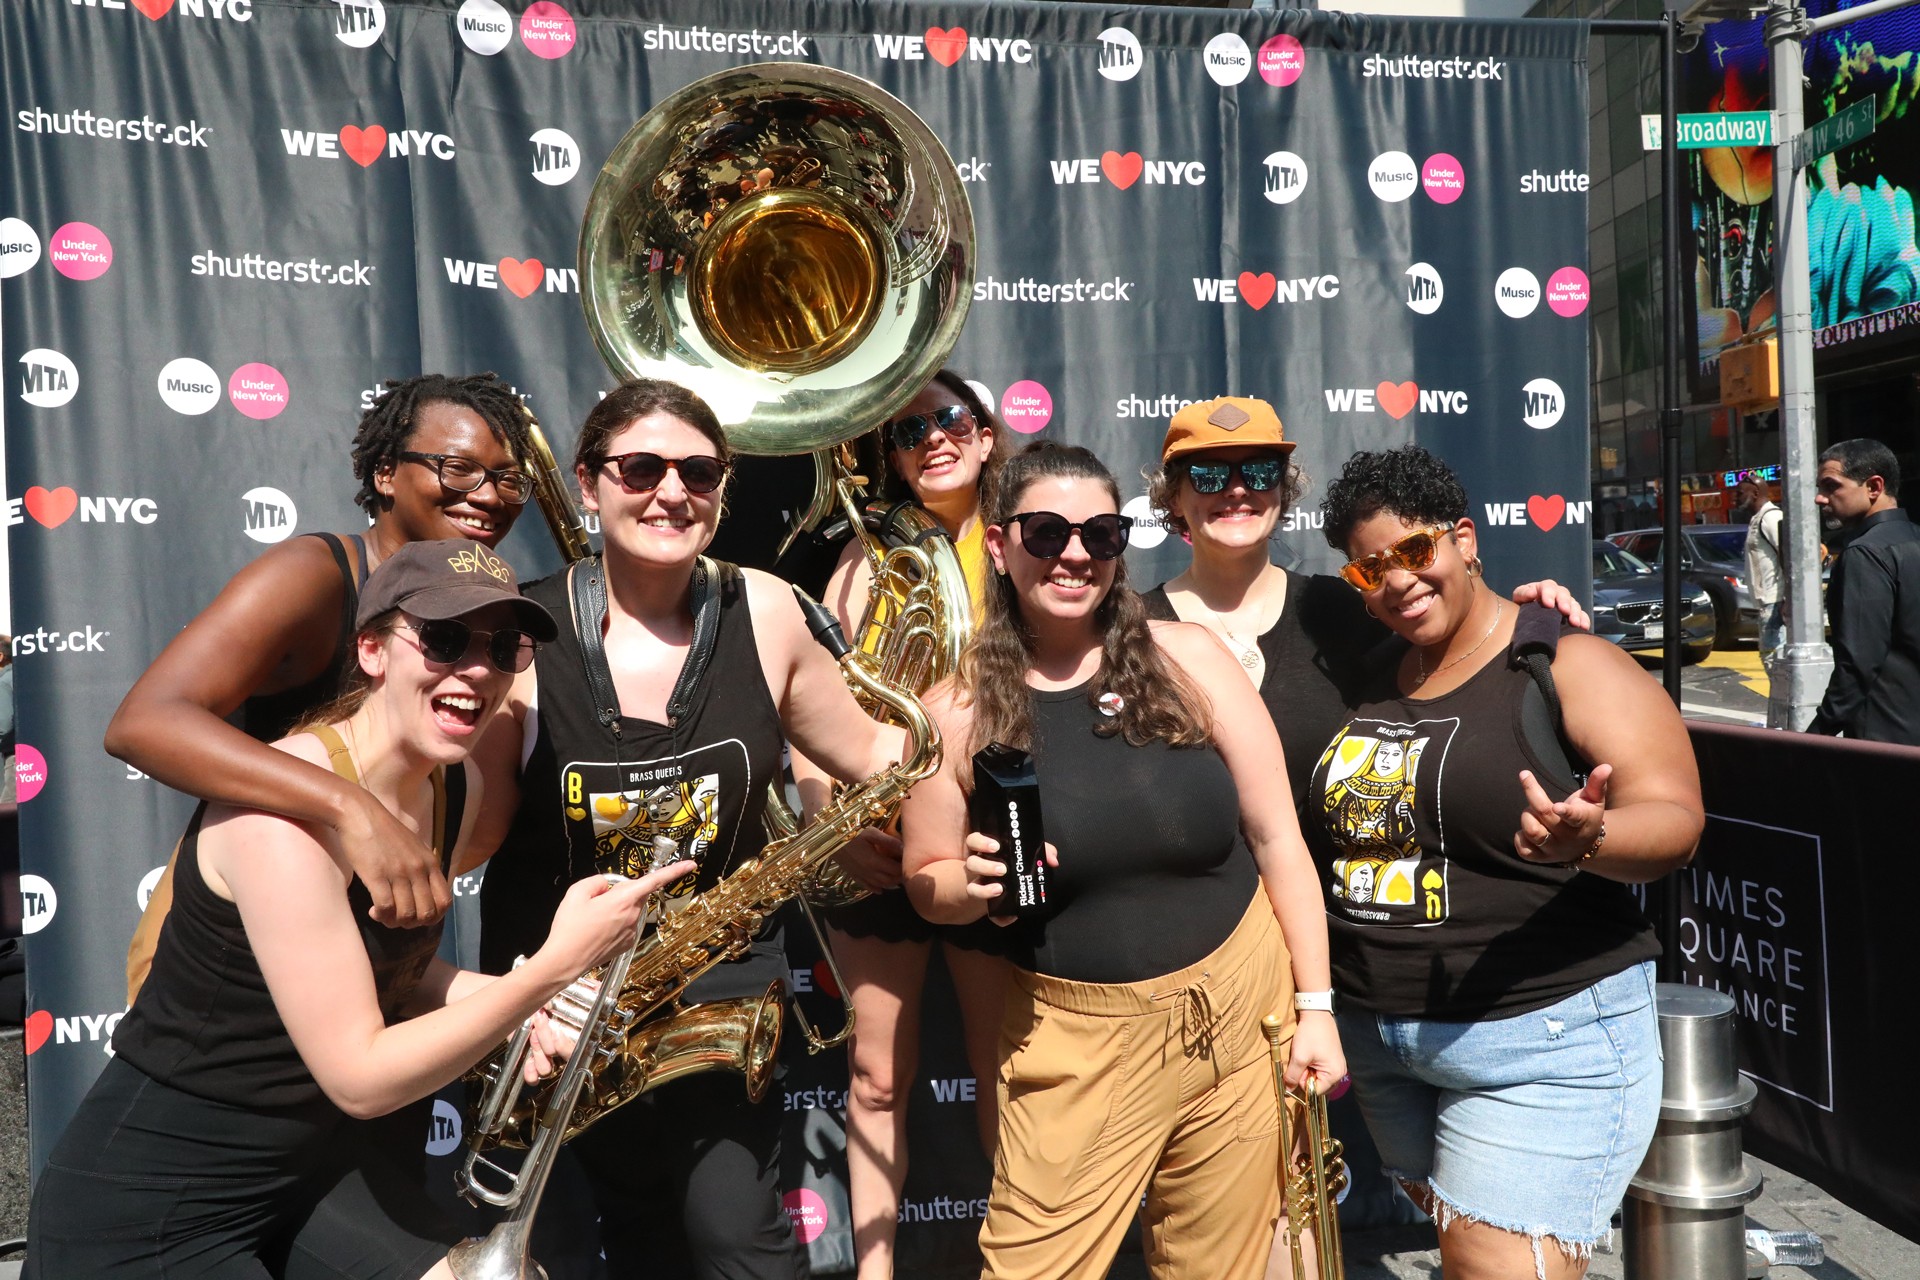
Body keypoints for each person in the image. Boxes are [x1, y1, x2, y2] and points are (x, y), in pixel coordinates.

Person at [26, 538, 692, 1279]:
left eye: (504, 647)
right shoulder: (280, 827)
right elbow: (361, 1076)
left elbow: (393, 974)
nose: (475, 668)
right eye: (443, 638)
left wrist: (538, 1008)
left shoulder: (457, 783)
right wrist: (545, 972)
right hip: (150, 1207)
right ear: (372, 651)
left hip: (311, 1176)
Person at [473, 377, 909, 1280]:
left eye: (699, 473)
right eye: (641, 468)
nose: (671, 492)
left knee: (736, 1238)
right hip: (561, 1006)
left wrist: (994, 719)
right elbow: (471, 840)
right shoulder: (517, 631)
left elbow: (874, 750)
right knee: (631, 1246)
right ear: (589, 484)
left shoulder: (770, 608)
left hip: (717, 989)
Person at [900, 441, 1345, 1280]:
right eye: (1046, 533)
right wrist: (971, 884)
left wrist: (1316, 1007)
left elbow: (1279, 839)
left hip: (1242, 1009)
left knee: (1232, 1268)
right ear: (999, 546)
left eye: (1100, 535)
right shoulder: (953, 711)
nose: (1074, 553)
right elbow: (926, 881)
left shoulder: (1194, 659)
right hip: (1076, 1040)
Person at [1308, 445, 1703, 1280]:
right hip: (1386, 1045)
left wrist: (1587, 839)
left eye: (1415, 553)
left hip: (1541, 1038)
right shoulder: (1374, 675)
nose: (1398, 582)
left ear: (1463, 539)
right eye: (1368, 570)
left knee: (1494, 1266)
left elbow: (1675, 822)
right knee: (1470, 1254)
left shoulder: (1564, 660)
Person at [109, 372, 540, 1001]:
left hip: (364, 948)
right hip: (223, 964)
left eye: (508, 479)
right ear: (387, 474)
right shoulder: (313, 576)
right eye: (457, 469)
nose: (488, 496)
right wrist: (352, 809)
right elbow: (142, 724)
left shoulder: (496, 614)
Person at [796, 370, 1011, 1280]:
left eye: (952, 418)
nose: (933, 438)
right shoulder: (859, 556)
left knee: (1010, 1083)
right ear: (883, 456)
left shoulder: (1026, 543)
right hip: (879, 849)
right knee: (877, 1079)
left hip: (988, 839)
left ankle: (1026, 1262)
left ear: (989, 433)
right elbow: (811, 711)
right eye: (907, 430)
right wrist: (831, 819)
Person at [1808, 438, 1920, 743]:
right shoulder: (1912, 540)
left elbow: (1858, 664)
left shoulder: (1865, 553)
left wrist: (1816, 736)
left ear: (1874, 487)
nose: (1820, 498)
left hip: (1884, 741)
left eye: (1831, 486)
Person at [1736, 477, 1785, 664]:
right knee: (1771, 662)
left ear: (1755, 493)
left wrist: (1788, 599)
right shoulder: (1756, 519)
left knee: (1774, 663)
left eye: (1740, 493)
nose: (1736, 498)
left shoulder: (1771, 517)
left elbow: (1789, 558)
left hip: (1775, 603)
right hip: (1766, 604)